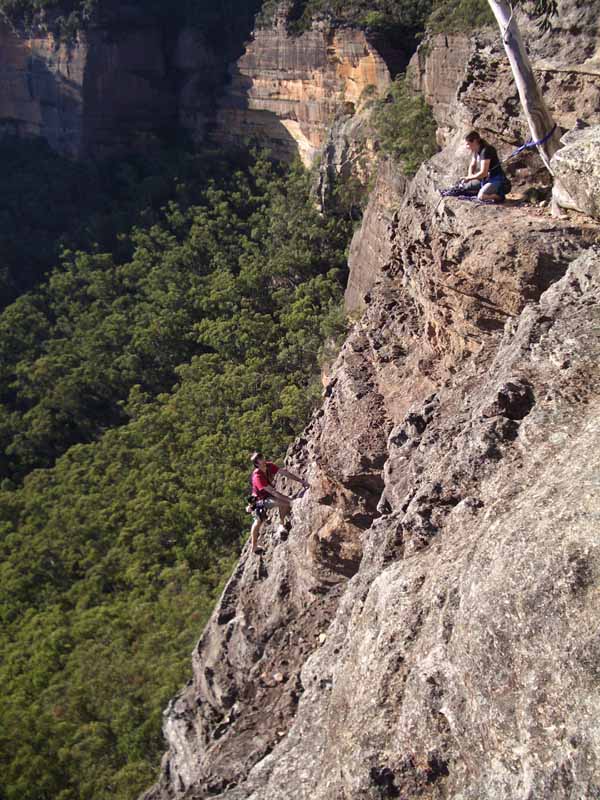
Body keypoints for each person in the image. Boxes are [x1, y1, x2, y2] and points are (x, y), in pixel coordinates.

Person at [246, 451, 308, 554]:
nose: (263, 459)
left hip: (267, 496)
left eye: (262, 457)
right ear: (256, 464)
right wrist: (289, 500)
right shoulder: (257, 476)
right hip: (260, 500)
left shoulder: (269, 466)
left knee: (284, 503)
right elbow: (272, 491)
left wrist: (301, 481)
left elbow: (285, 473)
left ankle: (281, 525)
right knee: (258, 521)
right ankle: (254, 546)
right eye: (260, 459)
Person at [461, 131, 510, 203]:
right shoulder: (476, 150)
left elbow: (484, 173)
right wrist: (470, 176)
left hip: (495, 179)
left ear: (475, 141)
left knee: (481, 196)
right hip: (485, 179)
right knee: (465, 186)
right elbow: (472, 165)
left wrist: (469, 178)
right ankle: (484, 189)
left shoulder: (486, 151)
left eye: (468, 144)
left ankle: (499, 196)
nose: (466, 147)